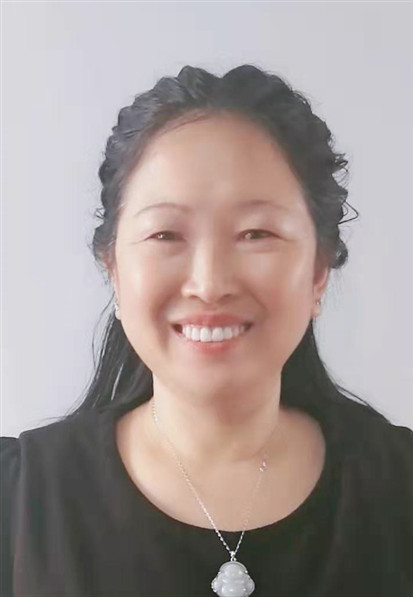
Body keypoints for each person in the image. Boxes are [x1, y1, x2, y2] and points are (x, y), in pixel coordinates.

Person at [1, 64, 412, 597]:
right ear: (114, 270)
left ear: (318, 271)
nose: (209, 284)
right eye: (166, 234)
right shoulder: (17, 502)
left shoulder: (399, 489)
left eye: (256, 233)